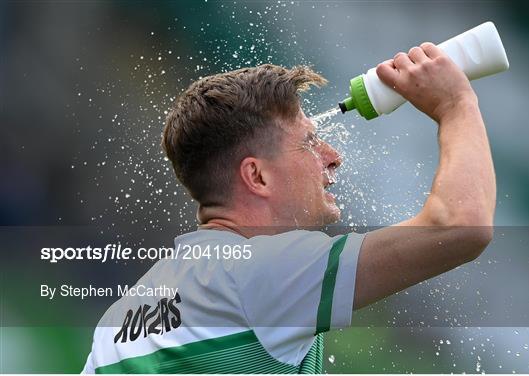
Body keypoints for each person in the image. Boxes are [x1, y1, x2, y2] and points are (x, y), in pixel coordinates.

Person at [82, 43, 495, 373]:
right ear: (257, 176)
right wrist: (456, 104)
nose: (333, 157)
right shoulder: (261, 272)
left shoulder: (126, 312)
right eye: (310, 142)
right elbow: (462, 226)